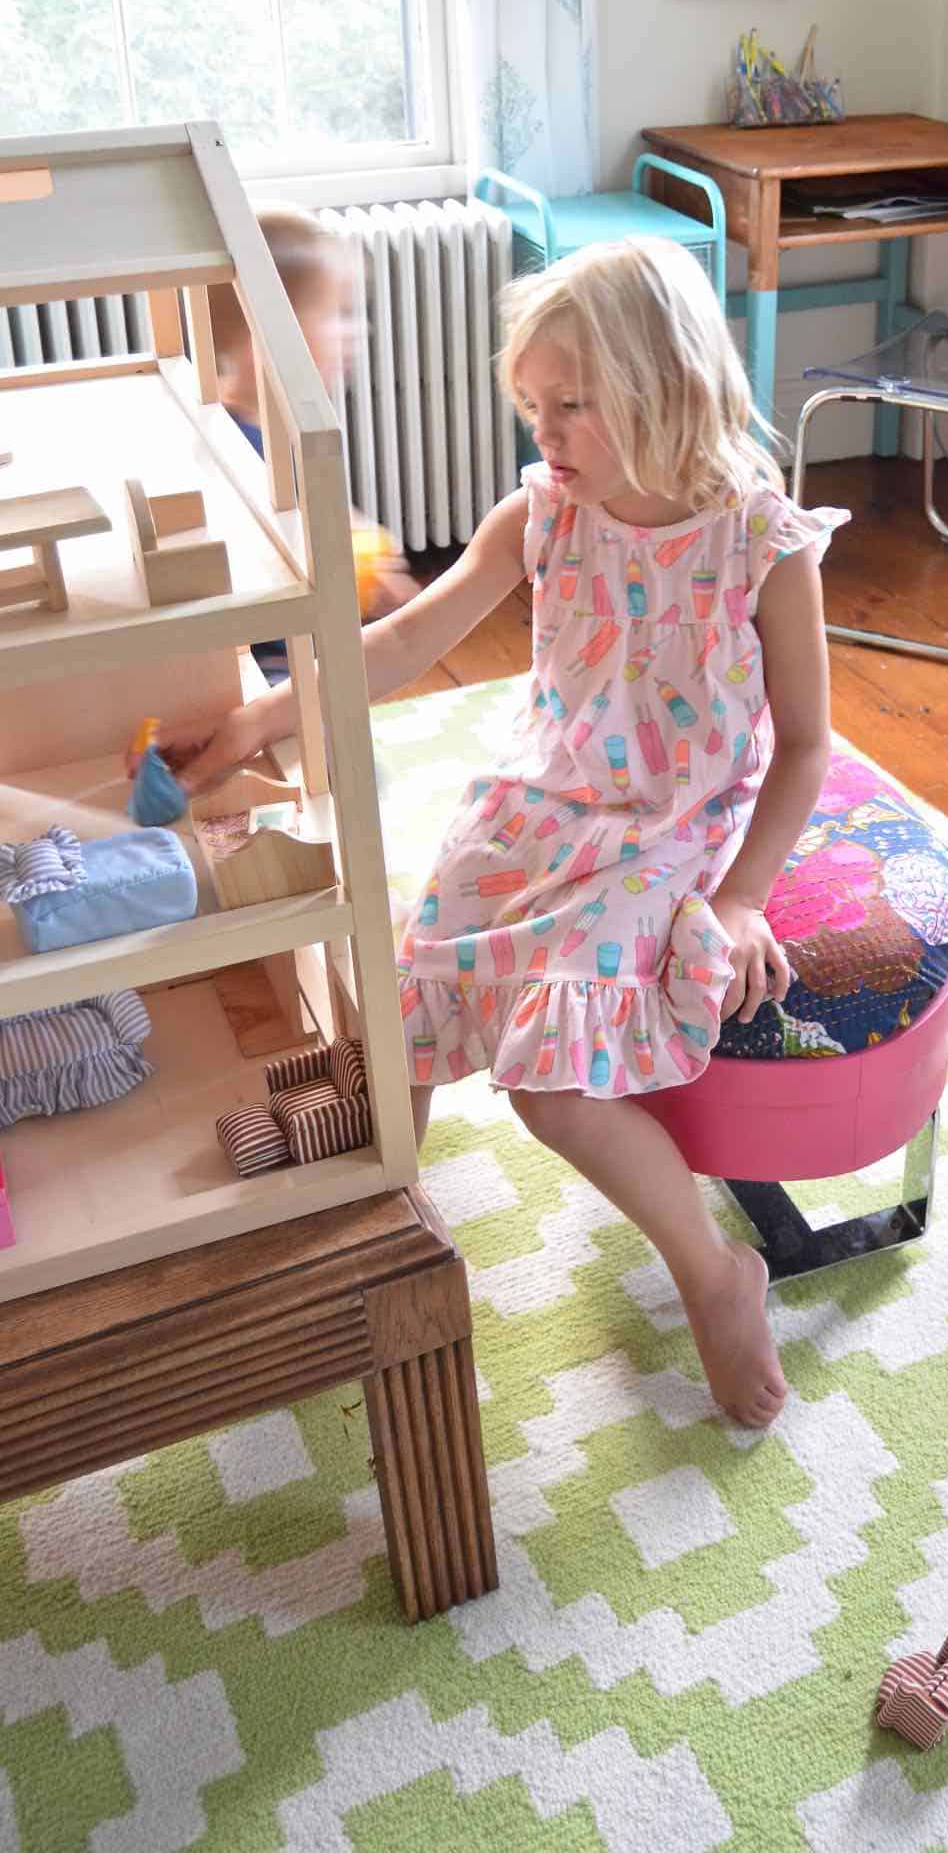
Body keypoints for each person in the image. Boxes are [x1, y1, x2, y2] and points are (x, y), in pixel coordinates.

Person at [156, 238, 847, 1430]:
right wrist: (262, 713)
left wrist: (740, 897)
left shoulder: (763, 542)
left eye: (571, 404)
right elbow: (403, 643)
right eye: (534, 406)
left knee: (550, 1086)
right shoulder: (539, 513)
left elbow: (802, 748)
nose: (547, 433)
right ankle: (377, 1237)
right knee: (408, 996)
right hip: (543, 795)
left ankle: (712, 1271)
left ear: (668, 385)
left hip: (671, 824)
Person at [208, 205, 415, 672]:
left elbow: (318, 510)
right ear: (261, 330)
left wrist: (359, 539)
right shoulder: (234, 446)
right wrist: (344, 573)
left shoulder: (286, 426)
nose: (356, 330)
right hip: (260, 663)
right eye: (337, 313)